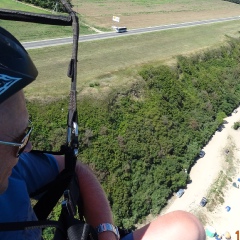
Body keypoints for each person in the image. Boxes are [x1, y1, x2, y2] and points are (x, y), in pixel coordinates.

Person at [0, 26, 206, 240]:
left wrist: (106, 231)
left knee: (187, 227)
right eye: (20, 140)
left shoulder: (14, 168)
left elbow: (73, 168)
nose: (29, 148)